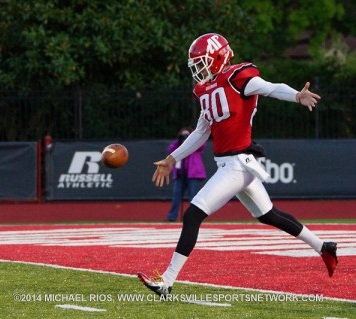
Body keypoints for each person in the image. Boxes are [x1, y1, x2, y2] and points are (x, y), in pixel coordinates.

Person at [138, 33, 338, 296]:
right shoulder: (205, 89)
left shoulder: (238, 77)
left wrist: (296, 97)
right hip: (232, 164)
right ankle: (324, 246)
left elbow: (270, 87)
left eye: (203, 62)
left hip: (238, 164)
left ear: (219, 57)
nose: (199, 69)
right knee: (269, 215)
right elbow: (201, 132)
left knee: (193, 215)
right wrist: (172, 158)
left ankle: (166, 282)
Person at [165, 127, 206, 222]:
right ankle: (172, 217)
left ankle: (193, 217)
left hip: (193, 175)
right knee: (176, 197)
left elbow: (201, 146)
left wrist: (190, 139)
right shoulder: (178, 146)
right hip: (180, 175)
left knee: (193, 198)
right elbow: (170, 151)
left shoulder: (195, 145)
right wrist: (179, 141)